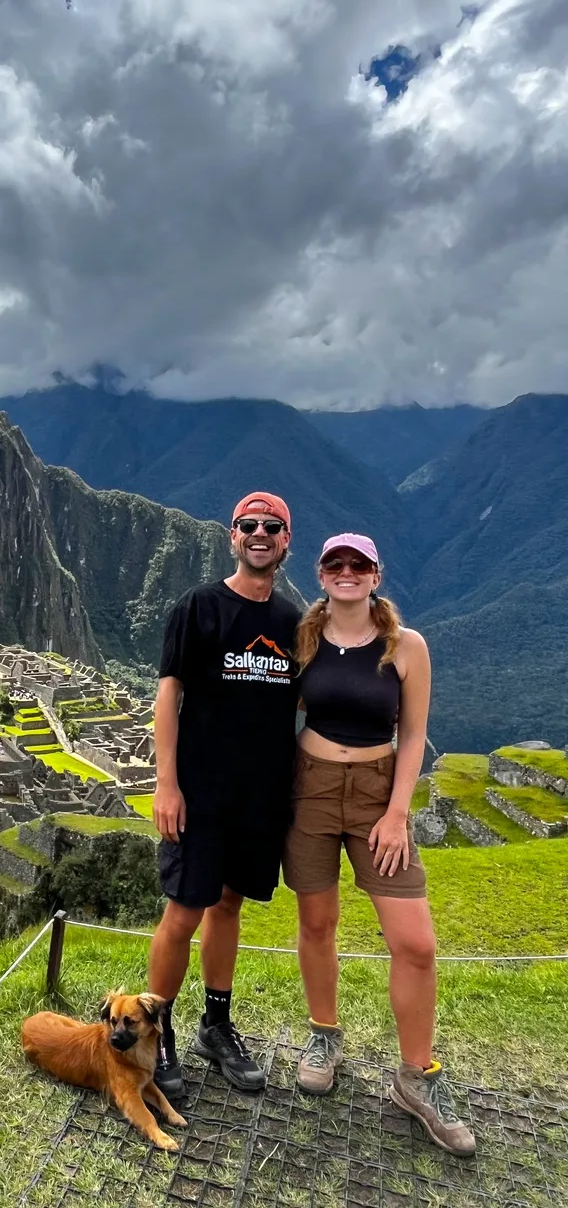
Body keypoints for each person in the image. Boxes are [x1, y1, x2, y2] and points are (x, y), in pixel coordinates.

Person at [284, 533, 475, 1157]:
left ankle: (417, 1076)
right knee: (318, 922)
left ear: (375, 575)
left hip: (376, 793)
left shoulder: (406, 646)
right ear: (321, 573)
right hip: (309, 788)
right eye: (335, 564)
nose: (346, 573)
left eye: (358, 565)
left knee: (415, 942)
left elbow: (415, 734)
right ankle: (324, 1034)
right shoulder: (303, 638)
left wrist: (397, 813)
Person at [148, 492, 302, 1100]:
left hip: (259, 797)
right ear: (232, 538)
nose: (259, 533)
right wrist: (167, 783)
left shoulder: (293, 623)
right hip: (201, 792)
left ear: (286, 540)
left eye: (272, 526)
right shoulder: (199, 608)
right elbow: (168, 696)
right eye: (248, 526)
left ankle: (216, 1023)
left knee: (229, 905)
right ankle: (157, 1037)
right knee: (184, 911)